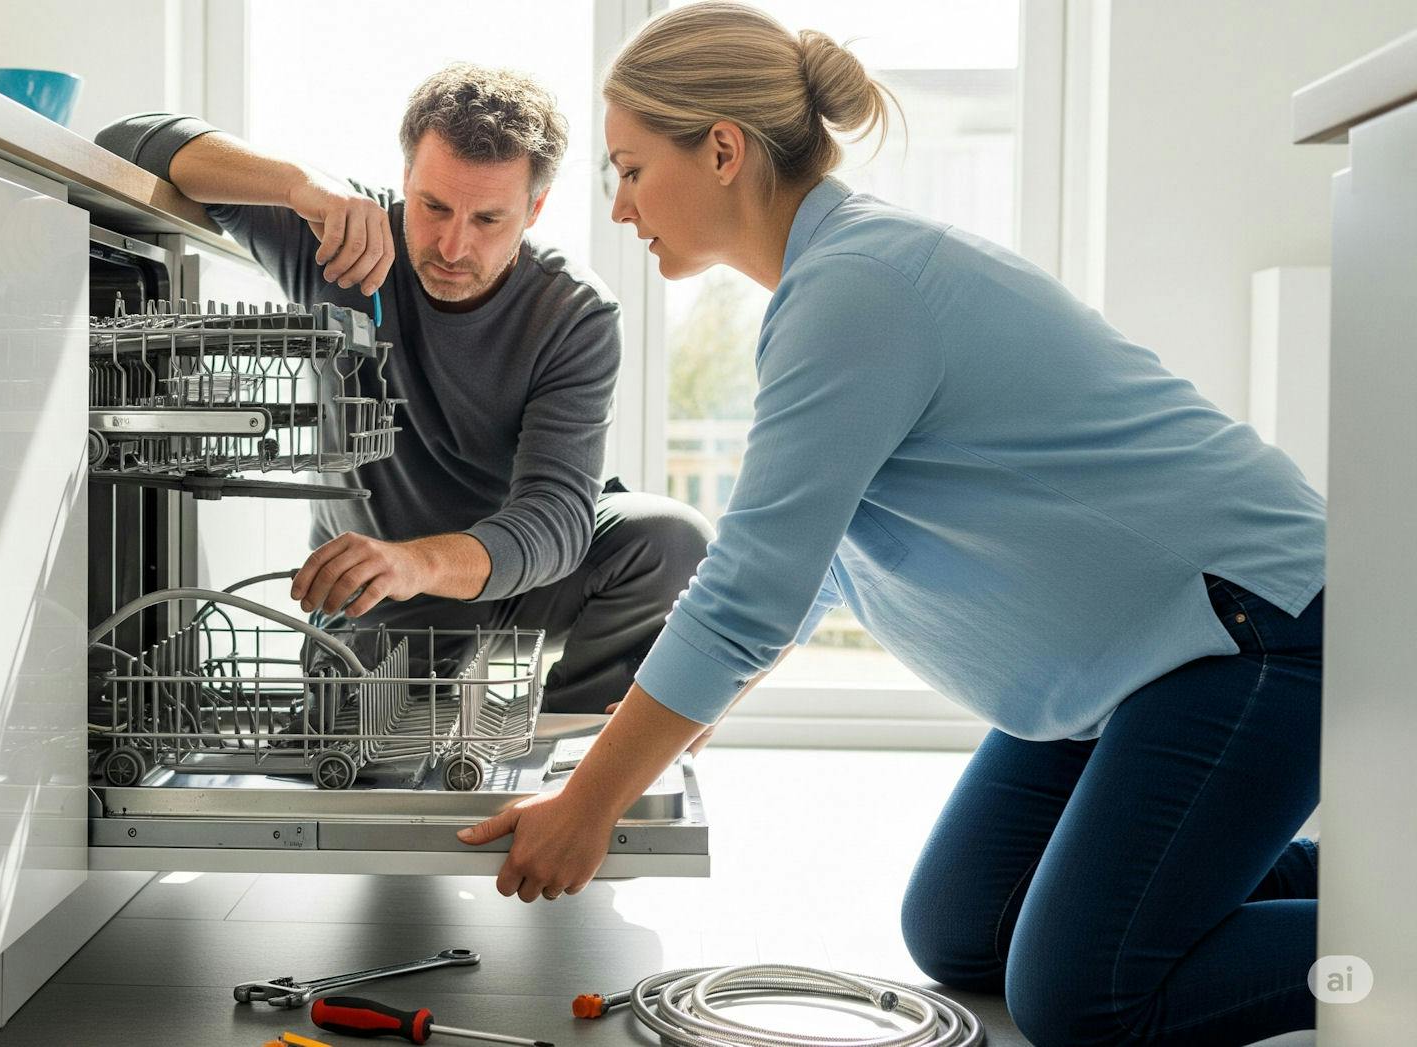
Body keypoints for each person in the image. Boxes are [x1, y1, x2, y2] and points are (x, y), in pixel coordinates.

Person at [457, 4, 1327, 1046]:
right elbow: (806, 576)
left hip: (1250, 633)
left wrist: (592, 804)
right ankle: (1262, 871)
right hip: (1132, 666)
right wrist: (643, 756)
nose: (622, 205)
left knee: (1084, 996)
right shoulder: (835, 290)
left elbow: (746, 594)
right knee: (962, 929)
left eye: (632, 169)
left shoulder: (860, 288)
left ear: (723, 150)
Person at [95, 66, 713, 713]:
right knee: (362, 755)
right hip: (377, 603)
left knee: (672, 540)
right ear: (406, 179)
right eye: (434, 206)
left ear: (534, 209)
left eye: (489, 219)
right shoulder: (340, 241)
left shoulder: (573, 312)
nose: (452, 244)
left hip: (510, 580)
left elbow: (556, 519)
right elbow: (123, 142)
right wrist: (302, 185)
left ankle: (574, 753)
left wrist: (417, 560)